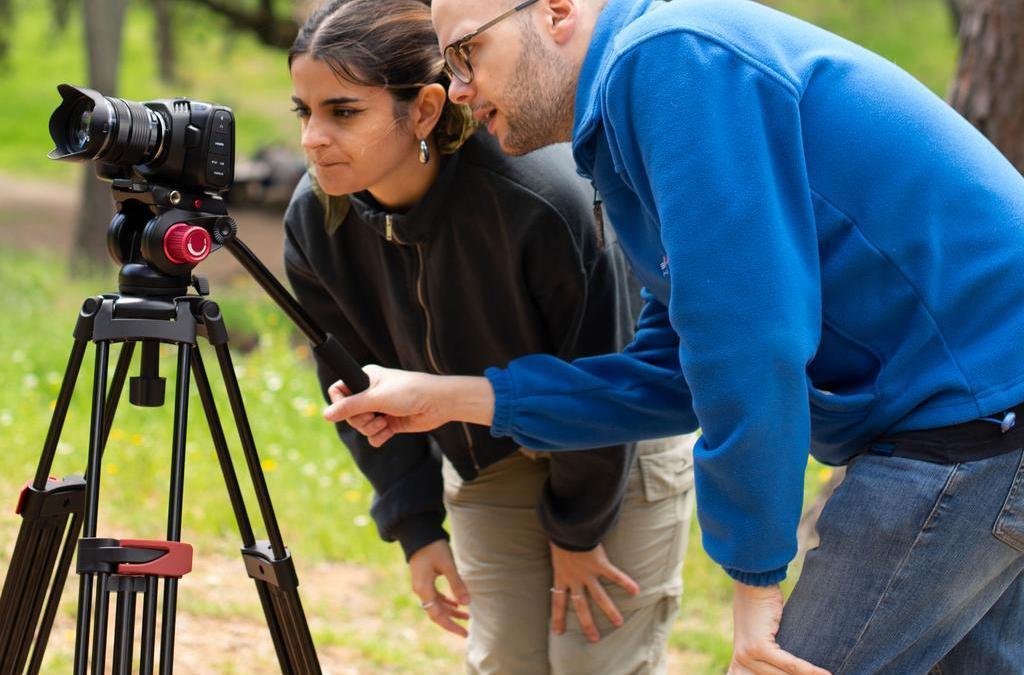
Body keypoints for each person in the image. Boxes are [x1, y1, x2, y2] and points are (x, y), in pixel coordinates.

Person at [322, 1, 1024, 673]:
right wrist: (449, 398)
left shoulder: (670, 61)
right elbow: (675, 370)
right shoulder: (636, 108)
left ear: (556, 11)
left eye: (468, 53)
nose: (461, 91)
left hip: (972, 415)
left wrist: (755, 578)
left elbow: (745, 341)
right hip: (982, 408)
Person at [284, 1, 696, 672]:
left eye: (343, 111)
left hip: (613, 447)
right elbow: (358, 390)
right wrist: (415, 526)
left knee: (592, 664)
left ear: (422, 110)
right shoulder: (316, 222)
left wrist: (578, 529)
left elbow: (610, 376)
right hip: (486, 452)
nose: (313, 139)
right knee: (506, 660)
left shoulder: (543, 197)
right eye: (306, 112)